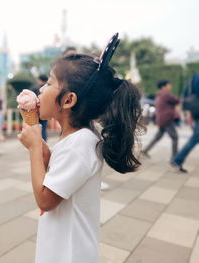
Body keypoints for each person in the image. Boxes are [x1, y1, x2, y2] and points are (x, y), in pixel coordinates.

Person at [17, 36, 143, 263]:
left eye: (49, 83)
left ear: (68, 101)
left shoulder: (79, 144)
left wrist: (35, 148)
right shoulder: (80, 137)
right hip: (65, 247)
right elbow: (59, 176)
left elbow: (45, 200)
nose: (41, 89)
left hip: (68, 253)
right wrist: (44, 150)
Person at [141, 80, 179, 160]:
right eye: (168, 84)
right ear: (163, 86)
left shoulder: (159, 94)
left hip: (161, 118)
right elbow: (176, 101)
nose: (170, 86)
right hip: (167, 118)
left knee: (157, 137)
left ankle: (145, 150)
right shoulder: (166, 93)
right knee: (175, 137)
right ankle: (175, 158)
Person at [171, 73, 199, 173]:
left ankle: (177, 160)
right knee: (196, 137)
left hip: (195, 110)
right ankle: (177, 160)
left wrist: (188, 112)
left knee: (196, 136)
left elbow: (186, 93)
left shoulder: (194, 76)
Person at [31, 74, 49, 141]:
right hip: (45, 110)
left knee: (35, 128)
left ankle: (36, 143)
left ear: (39, 79)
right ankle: (44, 143)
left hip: (34, 111)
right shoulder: (48, 88)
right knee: (43, 128)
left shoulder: (34, 88)